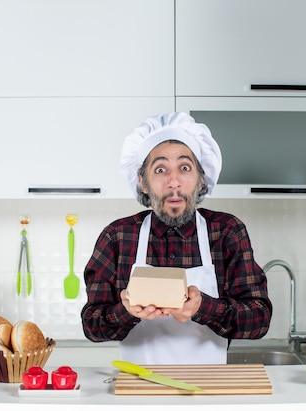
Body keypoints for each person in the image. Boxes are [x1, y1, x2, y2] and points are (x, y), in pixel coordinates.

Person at [81, 112, 272, 364]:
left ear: (200, 178)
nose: (174, 182)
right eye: (160, 169)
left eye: (184, 168)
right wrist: (125, 312)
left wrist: (203, 308)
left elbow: (259, 320)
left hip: (207, 391)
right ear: (143, 182)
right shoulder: (117, 236)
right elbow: (92, 325)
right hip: (139, 391)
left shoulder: (226, 232)